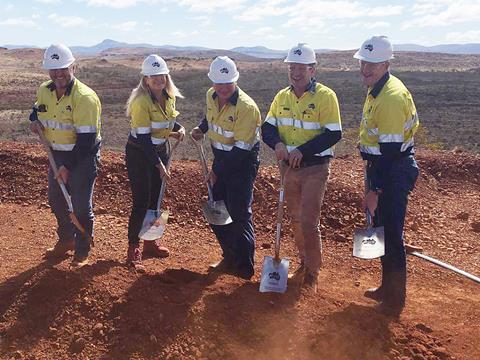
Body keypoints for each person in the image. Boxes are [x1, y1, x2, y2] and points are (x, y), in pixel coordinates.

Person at [262, 43, 342, 292]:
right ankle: (304, 261)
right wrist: (277, 144)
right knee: (295, 219)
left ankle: (313, 272)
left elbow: (333, 134)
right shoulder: (282, 97)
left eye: (300, 68)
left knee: (308, 221)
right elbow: (267, 128)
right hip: (288, 168)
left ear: (312, 69)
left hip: (315, 167)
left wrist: (301, 151)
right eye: (291, 67)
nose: (295, 72)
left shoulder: (325, 96)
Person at [353, 35, 420, 316]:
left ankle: (395, 301)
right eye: (363, 63)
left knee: (391, 235)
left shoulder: (390, 97)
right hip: (380, 167)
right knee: (381, 231)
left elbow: (391, 152)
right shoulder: (377, 89)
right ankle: (386, 288)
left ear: (386, 64)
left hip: (391, 171)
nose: (366, 69)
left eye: (373, 64)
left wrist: (374, 191)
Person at [29, 44, 101, 268]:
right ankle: (67, 239)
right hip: (56, 154)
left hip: (82, 155)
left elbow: (86, 141)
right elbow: (37, 109)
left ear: (73, 67)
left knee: (79, 206)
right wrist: (34, 120)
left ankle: (82, 251)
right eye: (53, 70)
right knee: (56, 200)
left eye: (63, 69)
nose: (58, 74)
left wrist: (67, 167)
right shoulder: (44, 89)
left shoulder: (85, 98)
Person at [190, 56, 261, 280]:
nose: (222, 88)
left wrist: (216, 172)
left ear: (236, 80)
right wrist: (201, 128)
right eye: (218, 83)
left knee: (239, 213)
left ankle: (244, 267)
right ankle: (229, 256)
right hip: (221, 159)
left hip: (241, 163)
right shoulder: (211, 96)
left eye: (227, 83)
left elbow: (240, 152)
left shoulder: (247, 108)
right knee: (217, 209)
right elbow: (210, 117)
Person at [125, 54, 185, 271]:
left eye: (162, 75)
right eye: (154, 76)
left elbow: (167, 120)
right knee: (141, 201)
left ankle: (151, 242)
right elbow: (143, 138)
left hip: (160, 151)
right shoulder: (141, 102)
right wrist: (159, 165)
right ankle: (133, 249)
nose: (159, 79)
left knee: (156, 199)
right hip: (140, 154)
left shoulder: (169, 97)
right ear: (146, 79)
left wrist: (177, 129)